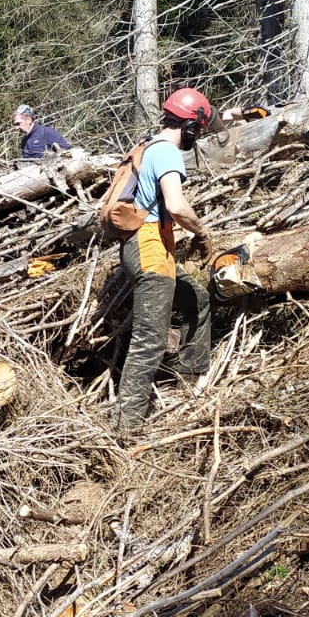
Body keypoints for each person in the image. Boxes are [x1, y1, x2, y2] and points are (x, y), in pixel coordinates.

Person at [113, 87, 224, 434]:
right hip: (149, 248)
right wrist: (202, 233)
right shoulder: (168, 153)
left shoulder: (146, 146)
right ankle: (124, 427)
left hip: (145, 247)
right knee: (150, 339)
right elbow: (175, 206)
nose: (199, 136)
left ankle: (189, 379)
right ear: (190, 126)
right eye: (199, 130)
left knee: (197, 300)